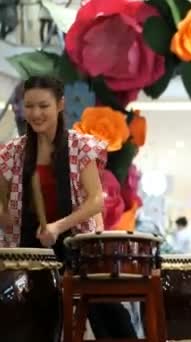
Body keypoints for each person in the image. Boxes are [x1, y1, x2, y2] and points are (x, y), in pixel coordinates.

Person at [0, 75, 137, 339]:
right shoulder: (11, 153)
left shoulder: (80, 146)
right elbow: (2, 203)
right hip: (26, 250)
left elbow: (96, 200)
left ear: (60, 104)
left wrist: (58, 226)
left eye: (43, 106)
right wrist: (4, 217)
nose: (36, 113)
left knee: (108, 309)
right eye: (29, 106)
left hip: (76, 247)